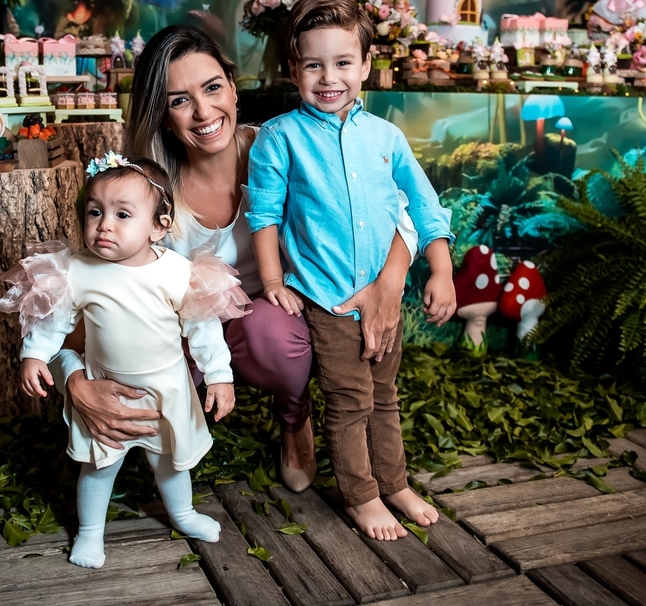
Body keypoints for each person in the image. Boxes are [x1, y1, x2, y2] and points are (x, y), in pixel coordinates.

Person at [40, 25, 418, 495]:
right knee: (138, 366)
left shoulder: (287, 145)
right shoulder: (142, 193)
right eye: (179, 100)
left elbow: (401, 210)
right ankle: (186, 410)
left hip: (274, 322)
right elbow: (84, 301)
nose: (203, 112)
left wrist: (390, 283)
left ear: (234, 88)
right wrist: (73, 380)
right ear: (161, 114)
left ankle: (293, 413)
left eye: (213, 87)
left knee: (272, 330)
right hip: (181, 337)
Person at [246, 0, 457, 540]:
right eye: (313, 64)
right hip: (329, 298)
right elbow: (265, 216)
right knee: (349, 400)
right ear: (294, 69)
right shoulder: (278, 137)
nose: (329, 77)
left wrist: (441, 270)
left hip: (385, 296)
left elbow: (425, 206)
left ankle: (396, 483)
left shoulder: (386, 137)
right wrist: (272, 281)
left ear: (366, 65)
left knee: (384, 396)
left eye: (343, 62)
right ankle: (360, 495)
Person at [0, 153, 248, 568]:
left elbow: (203, 328)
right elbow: (54, 320)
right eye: (95, 212)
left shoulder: (177, 272)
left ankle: (182, 514)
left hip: (166, 387)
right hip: (105, 384)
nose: (104, 225)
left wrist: (219, 374)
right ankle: (91, 532)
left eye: (122, 214)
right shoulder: (78, 270)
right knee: (99, 464)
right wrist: (35, 355)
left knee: (168, 460)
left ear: (159, 227)